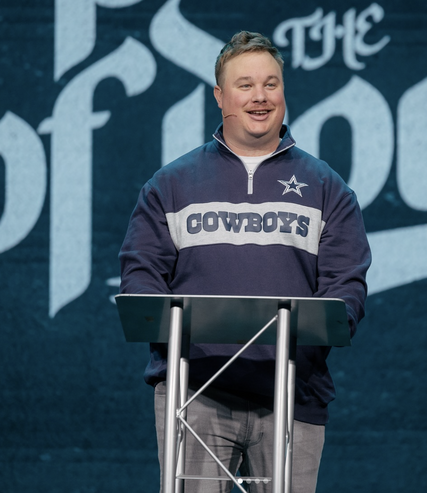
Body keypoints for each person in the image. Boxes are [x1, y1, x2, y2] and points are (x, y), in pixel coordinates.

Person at [119, 31, 371, 492]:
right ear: (220, 96)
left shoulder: (327, 187)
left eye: (271, 84)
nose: (260, 96)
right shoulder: (170, 185)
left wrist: (306, 344)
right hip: (193, 394)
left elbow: (346, 287)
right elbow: (141, 278)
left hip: (294, 394)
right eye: (245, 85)